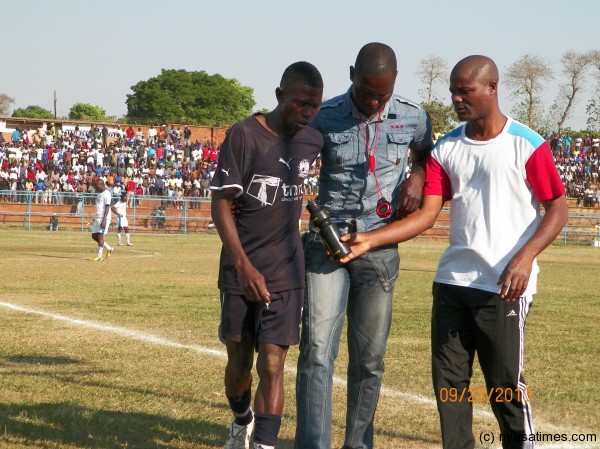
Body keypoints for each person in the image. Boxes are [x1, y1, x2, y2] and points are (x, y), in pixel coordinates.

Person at [338, 55, 568, 449]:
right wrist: (372, 240)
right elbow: (427, 215)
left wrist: (526, 256)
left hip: (504, 287)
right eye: (453, 92)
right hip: (451, 284)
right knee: (450, 390)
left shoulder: (527, 144)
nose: (457, 99)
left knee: (503, 385)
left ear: (492, 88)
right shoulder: (447, 148)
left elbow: (558, 208)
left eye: (465, 90)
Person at [295, 42, 433, 449]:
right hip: (328, 245)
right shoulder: (325, 116)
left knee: (369, 361)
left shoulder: (414, 116)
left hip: (379, 247)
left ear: (394, 82)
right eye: (366, 91)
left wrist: (419, 175)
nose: (373, 101)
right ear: (351, 72)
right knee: (318, 351)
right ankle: (312, 444)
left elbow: (427, 155)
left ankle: (358, 445)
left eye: (382, 94)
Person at [211, 61, 324, 449]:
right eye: (300, 104)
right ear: (279, 96)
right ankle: (242, 420)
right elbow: (221, 203)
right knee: (239, 363)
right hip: (240, 270)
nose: (308, 113)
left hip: (287, 269)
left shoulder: (312, 138)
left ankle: (264, 444)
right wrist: (243, 265)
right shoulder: (244, 135)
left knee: (273, 363)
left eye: (315, 106)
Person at [91, 178, 115, 261]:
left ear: (101, 184)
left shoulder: (107, 193)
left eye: (97, 186)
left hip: (103, 217)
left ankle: (99, 256)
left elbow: (107, 207)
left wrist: (104, 219)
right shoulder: (99, 194)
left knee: (100, 236)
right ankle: (109, 248)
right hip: (98, 217)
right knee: (94, 236)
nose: (96, 188)